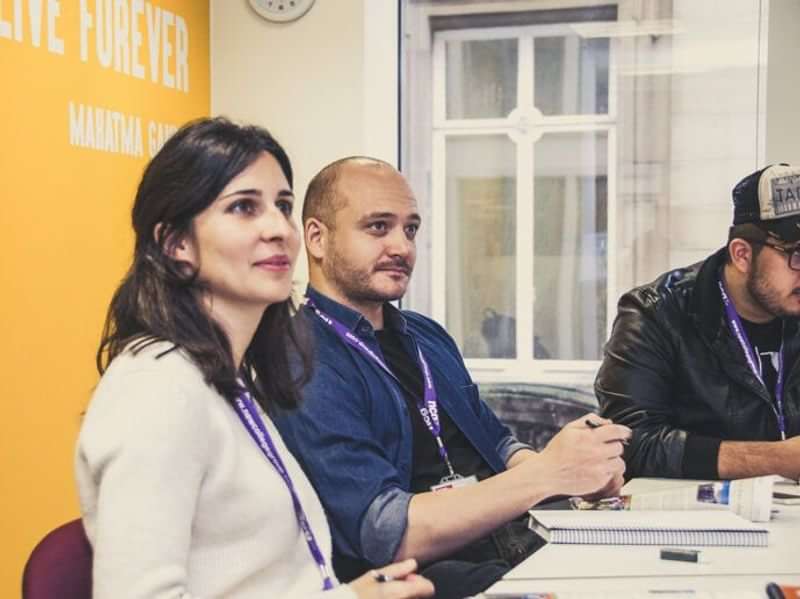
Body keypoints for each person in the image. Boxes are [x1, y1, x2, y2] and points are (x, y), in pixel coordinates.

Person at [75, 118, 434, 599]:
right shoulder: (156, 388)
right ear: (175, 244)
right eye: (244, 207)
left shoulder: (228, 374)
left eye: (282, 206)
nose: (278, 229)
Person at [272, 156, 630, 599]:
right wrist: (550, 475)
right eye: (378, 227)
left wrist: (579, 473)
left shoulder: (426, 335)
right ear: (317, 238)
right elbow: (387, 533)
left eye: (410, 229)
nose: (402, 247)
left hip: (516, 543)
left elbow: (496, 443)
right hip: (428, 579)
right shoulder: (300, 358)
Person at [596, 163, 800, 481]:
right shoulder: (654, 314)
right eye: (796, 256)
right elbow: (629, 444)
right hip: (697, 521)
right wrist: (777, 459)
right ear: (743, 255)